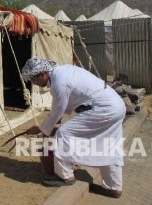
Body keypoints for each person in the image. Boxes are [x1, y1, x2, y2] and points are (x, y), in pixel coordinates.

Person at [22, 57, 126, 198]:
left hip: (103, 109)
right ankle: (114, 188)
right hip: (116, 106)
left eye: (33, 80)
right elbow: (59, 107)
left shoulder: (59, 81)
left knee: (63, 134)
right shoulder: (63, 72)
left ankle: (65, 176)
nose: (33, 83)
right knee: (109, 144)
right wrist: (49, 125)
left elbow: (57, 110)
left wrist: (40, 128)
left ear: (42, 74)